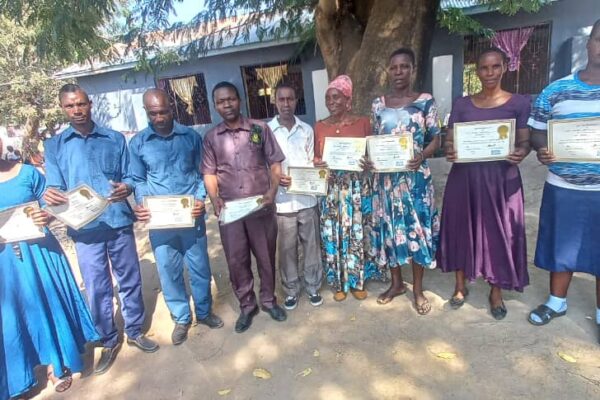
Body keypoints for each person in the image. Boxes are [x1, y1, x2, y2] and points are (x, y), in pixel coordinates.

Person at [43, 84, 158, 375]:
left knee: (129, 279)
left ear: (90, 104)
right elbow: (54, 186)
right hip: (84, 228)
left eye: (81, 104)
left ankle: (134, 331)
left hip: (117, 220)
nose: (77, 110)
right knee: (97, 287)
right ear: (63, 108)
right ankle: (108, 340)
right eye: (70, 106)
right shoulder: (55, 146)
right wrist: (52, 195)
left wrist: (127, 187)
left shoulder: (114, 138)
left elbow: (131, 175)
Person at [0, 136, 98, 399]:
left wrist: (48, 213)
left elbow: (52, 203)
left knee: (45, 303)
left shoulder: (28, 173)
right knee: (12, 316)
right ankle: (21, 375)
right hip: (4, 261)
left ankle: (56, 366)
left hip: (39, 253)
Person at [439, 47, 531, 319]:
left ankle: (496, 291)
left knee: (498, 232)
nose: (489, 73)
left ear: (504, 67)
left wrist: (521, 152)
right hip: (464, 179)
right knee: (460, 228)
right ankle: (460, 285)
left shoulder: (519, 103)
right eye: (483, 68)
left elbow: (524, 142)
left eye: (495, 67)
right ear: (476, 71)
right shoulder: (462, 104)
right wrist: (450, 150)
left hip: (501, 180)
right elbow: (449, 140)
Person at [129, 89, 223, 345]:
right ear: (146, 112)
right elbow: (138, 179)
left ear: (172, 108)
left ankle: (204, 312)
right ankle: (181, 318)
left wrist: (200, 199)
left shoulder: (191, 137)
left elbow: (202, 172)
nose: (159, 117)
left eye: (163, 111)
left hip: (190, 217)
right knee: (168, 271)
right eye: (153, 113)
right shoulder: (138, 143)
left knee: (199, 268)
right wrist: (143, 204)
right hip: (160, 223)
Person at [527, 19, 600, 342]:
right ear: (589, 42)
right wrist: (541, 148)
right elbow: (536, 128)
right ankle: (556, 302)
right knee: (562, 247)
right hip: (564, 186)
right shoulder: (556, 90)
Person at [202, 81, 287, 333]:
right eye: (220, 101)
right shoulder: (211, 138)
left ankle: (269, 300)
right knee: (237, 260)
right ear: (215, 105)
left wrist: (272, 191)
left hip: (260, 207)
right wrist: (214, 198)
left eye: (231, 99)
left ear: (239, 100)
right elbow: (209, 173)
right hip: (230, 212)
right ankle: (247, 306)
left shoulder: (259, 129)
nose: (226, 104)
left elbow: (274, 162)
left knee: (265, 256)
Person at [366, 48, 441, 315]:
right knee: (391, 230)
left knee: (416, 231)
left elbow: (436, 137)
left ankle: (418, 289)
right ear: (388, 70)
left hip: (416, 180)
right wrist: (371, 160)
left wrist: (422, 155)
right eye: (394, 67)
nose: (398, 72)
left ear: (412, 69)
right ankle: (397, 283)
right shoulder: (378, 104)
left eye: (404, 67)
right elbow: (375, 141)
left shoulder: (425, 101)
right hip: (387, 182)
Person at [314, 74, 383, 301]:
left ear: (347, 99)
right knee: (333, 234)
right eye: (328, 98)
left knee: (355, 232)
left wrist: (367, 162)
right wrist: (318, 163)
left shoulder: (362, 123)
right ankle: (339, 283)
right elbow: (316, 158)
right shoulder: (320, 127)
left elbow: (373, 156)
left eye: (336, 97)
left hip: (355, 188)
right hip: (332, 190)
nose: (332, 102)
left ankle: (356, 281)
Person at [267, 82, 323, 310]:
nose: (286, 104)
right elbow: (263, 164)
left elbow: (312, 161)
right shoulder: (267, 131)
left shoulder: (306, 130)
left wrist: (317, 167)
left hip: (307, 199)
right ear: (275, 101)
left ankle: (313, 285)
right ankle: (291, 289)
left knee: (311, 244)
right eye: (281, 99)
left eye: (290, 99)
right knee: (287, 248)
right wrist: (275, 177)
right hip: (282, 202)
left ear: (296, 100)